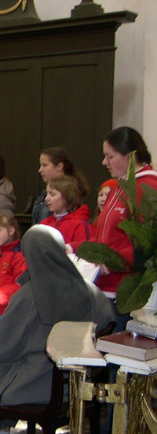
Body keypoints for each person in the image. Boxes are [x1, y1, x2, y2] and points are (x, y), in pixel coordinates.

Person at [0, 225, 113, 434]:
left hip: (38, 382)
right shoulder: (90, 292)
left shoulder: (29, 296)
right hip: (78, 383)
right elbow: (107, 326)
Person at [92, 126, 157, 320]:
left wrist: (112, 261)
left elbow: (149, 245)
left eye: (110, 156)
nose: (104, 162)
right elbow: (106, 235)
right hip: (106, 287)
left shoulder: (148, 187)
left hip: (128, 293)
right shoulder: (119, 185)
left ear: (130, 156)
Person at [31, 147, 89, 225]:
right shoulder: (43, 194)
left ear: (59, 166)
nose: (40, 170)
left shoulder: (72, 194)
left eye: (45, 165)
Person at [40, 176, 91, 253]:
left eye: (52, 194)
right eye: (47, 194)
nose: (46, 198)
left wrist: (69, 247)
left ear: (66, 197)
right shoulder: (44, 223)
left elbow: (84, 251)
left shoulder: (79, 224)